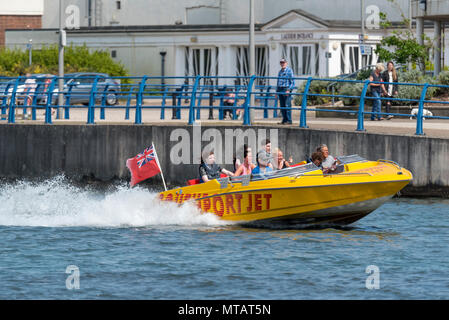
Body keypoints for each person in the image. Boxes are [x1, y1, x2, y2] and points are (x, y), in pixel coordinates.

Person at [276, 58, 295, 125]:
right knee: (282, 105)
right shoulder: (280, 71)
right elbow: (278, 82)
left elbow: (292, 82)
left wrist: (289, 90)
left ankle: (289, 120)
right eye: (281, 63)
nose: (282, 64)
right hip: (280, 89)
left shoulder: (289, 71)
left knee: (287, 105)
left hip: (286, 89)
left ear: (286, 63)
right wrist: (277, 91)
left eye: (283, 62)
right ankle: (284, 120)